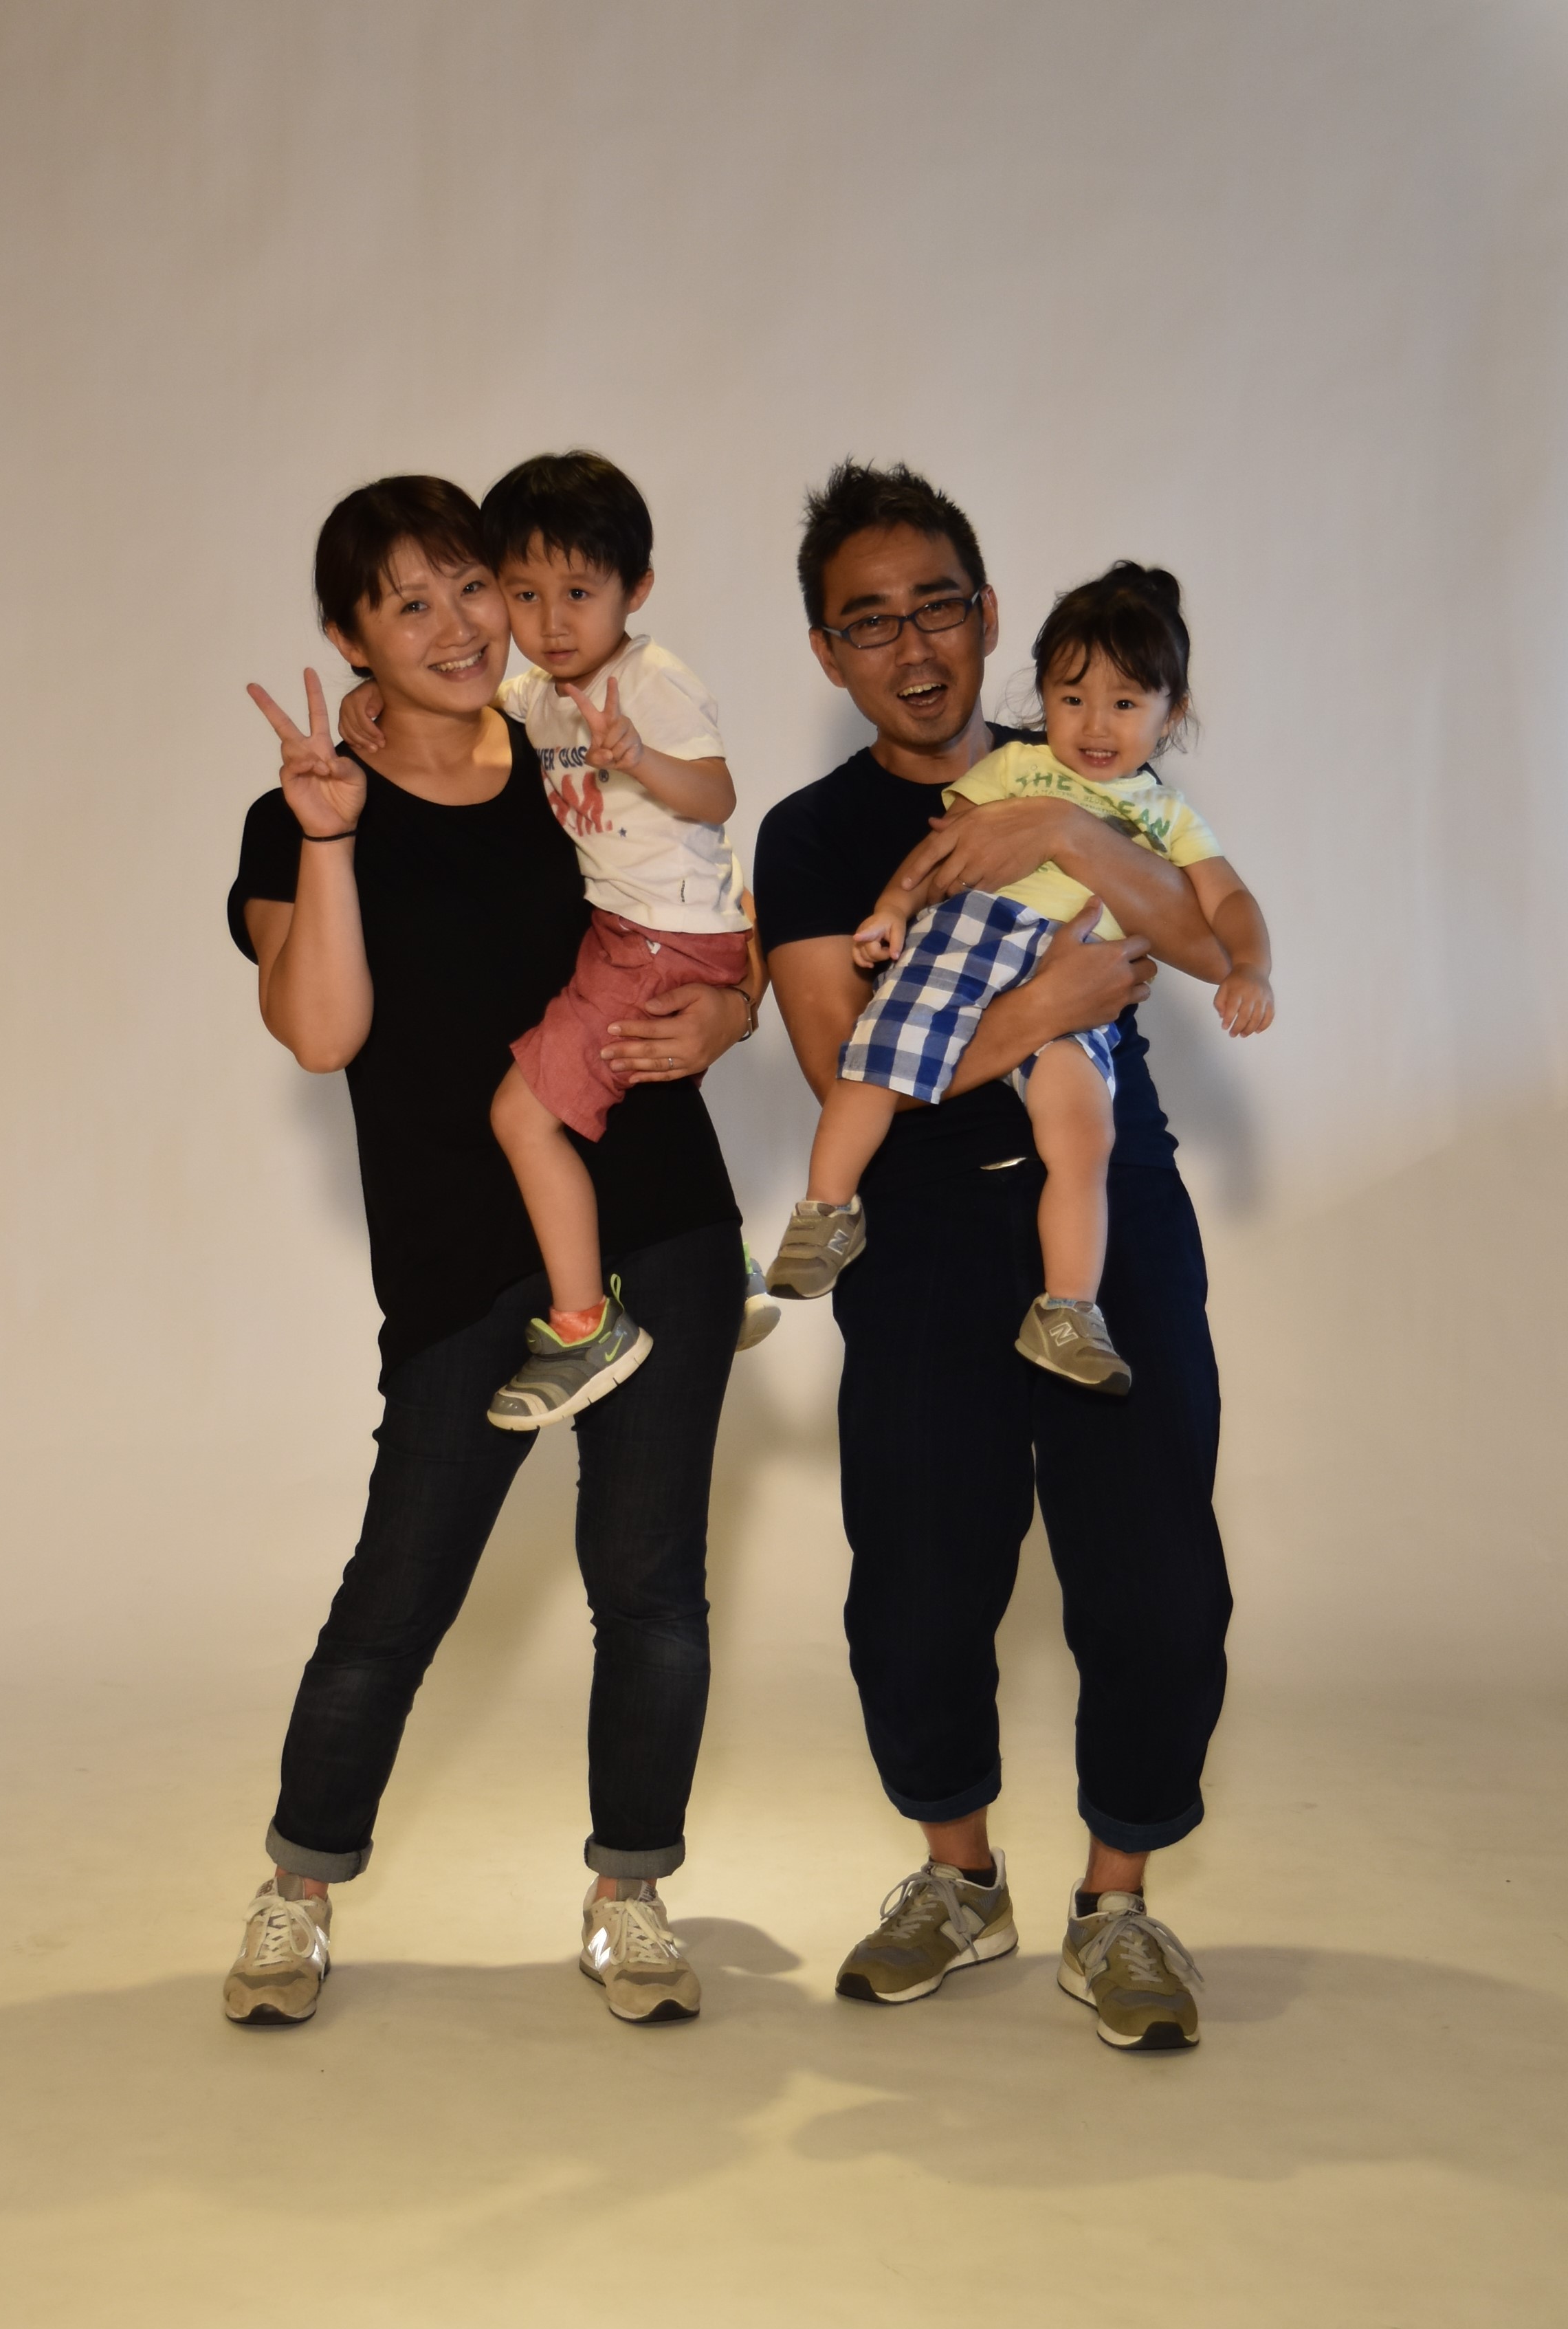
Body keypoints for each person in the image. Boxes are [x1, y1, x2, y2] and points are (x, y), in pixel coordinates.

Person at [222, 474, 760, 2031]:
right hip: (463, 1254)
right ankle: (299, 1885)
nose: (463, 626)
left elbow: (694, 910)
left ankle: (628, 1897)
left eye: (477, 587)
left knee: (649, 1587)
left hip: (652, 1212)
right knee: (399, 1592)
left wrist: (727, 1017)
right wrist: (331, 838)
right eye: (411, 604)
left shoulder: (565, 742)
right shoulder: (298, 807)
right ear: (351, 637)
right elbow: (322, 1033)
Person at [753, 461, 1235, 2051]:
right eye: (869, 619)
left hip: (1111, 1217)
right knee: (914, 1579)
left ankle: (1116, 1904)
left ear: (987, 615)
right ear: (826, 649)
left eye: (938, 606)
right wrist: (1041, 1007)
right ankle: (957, 1877)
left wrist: (1064, 831)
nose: (912, 644)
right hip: (920, 1238)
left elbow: (1202, 937)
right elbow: (843, 1068)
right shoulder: (814, 836)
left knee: (1153, 1572)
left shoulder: (1088, 766)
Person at [766, 561, 1274, 1397]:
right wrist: (894, 907)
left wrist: (1250, 966)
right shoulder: (1016, 767)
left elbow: (1227, 906)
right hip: (968, 941)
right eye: (1072, 698)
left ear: (1170, 714)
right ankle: (827, 1209)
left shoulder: (1164, 813)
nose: (1094, 724)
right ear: (1042, 696)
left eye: (1124, 703)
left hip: (1074, 968)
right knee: (873, 1061)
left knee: (1084, 1133)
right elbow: (939, 850)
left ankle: (1066, 1307)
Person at [340, 451, 764, 1431]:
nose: (551, 620)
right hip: (633, 932)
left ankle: (583, 1329)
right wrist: (371, 697)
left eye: (578, 592)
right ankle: (726, 1270)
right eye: (523, 593)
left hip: (662, 938)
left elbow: (719, 797)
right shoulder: (539, 694)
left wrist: (639, 757)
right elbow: (462, 700)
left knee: (523, 1115)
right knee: (616, 1088)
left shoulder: (651, 679)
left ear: (636, 588)